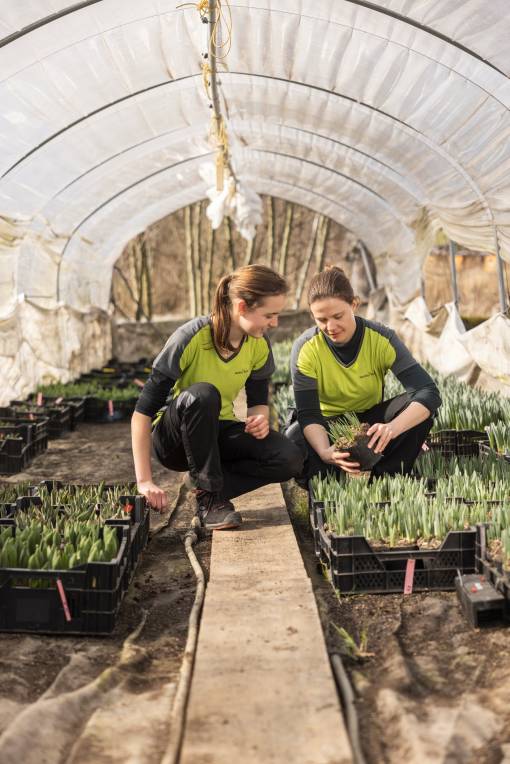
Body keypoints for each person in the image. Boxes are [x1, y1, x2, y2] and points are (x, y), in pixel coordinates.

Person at [131, 264, 304, 530]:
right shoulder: (190, 337)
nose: (274, 323)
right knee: (203, 393)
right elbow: (142, 413)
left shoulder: (258, 344)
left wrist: (259, 419)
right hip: (175, 439)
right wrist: (144, 481)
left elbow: (258, 401)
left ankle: (207, 490)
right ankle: (210, 499)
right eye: (269, 315)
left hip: (218, 432)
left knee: (290, 457)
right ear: (242, 307)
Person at [285, 266, 441, 484]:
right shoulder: (306, 348)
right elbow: (309, 413)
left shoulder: (381, 338)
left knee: (418, 407)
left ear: (354, 304)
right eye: (321, 319)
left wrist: (392, 429)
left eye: (338, 316)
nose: (331, 327)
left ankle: (387, 478)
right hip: (326, 427)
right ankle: (328, 482)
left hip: (367, 426)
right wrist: (324, 452)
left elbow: (428, 392)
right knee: (293, 440)